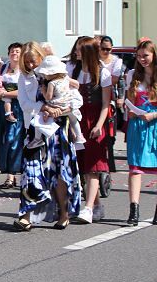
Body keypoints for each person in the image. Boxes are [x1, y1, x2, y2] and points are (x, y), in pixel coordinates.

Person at [14, 42, 82, 231]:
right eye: (27, 62)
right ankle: (25, 216)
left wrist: (62, 109)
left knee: (59, 172)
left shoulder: (58, 73)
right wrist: (44, 107)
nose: (30, 65)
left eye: (33, 61)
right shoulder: (25, 78)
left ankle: (63, 213)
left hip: (58, 130)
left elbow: (76, 99)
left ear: (41, 58)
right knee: (30, 171)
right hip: (35, 130)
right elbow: (24, 103)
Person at [67, 37, 112, 224]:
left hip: (94, 120)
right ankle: (97, 206)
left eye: (79, 50)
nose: (76, 52)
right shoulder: (73, 70)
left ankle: (88, 208)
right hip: (77, 120)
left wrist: (99, 125)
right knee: (83, 166)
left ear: (88, 52)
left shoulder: (103, 72)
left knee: (93, 166)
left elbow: (105, 104)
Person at [124, 39, 157, 226]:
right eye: (139, 56)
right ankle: (134, 210)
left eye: (146, 56)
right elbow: (128, 100)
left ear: (154, 55)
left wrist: (153, 115)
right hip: (138, 126)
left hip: (155, 124)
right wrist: (130, 111)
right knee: (135, 169)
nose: (142, 59)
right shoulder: (132, 75)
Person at [30, 56, 85, 150]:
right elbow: (76, 84)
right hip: (67, 104)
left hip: (55, 105)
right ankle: (79, 136)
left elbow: (48, 97)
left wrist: (43, 90)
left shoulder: (51, 83)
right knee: (73, 118)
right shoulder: (65, 79)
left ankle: (37, 138)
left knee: (39, 116)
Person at [0, 43, 24, 188]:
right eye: (12, 51)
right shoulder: (2, 67)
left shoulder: (24, 70)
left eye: (17, 51)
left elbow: (24, 92)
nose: (14, 53)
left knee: (13, 139)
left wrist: (4, 93)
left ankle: (12, 174)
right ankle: (7, 171)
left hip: (17, 107)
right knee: (2, 139)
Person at [99, 35, 124, 173]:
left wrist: (120, 97)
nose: (105, 51)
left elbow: (116, 80)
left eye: (108, 49)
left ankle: (109, 160)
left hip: (111, 97)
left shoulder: (116, 61)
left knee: (110, 131)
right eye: (103, 48)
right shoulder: (95, 60)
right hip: (97, 95)